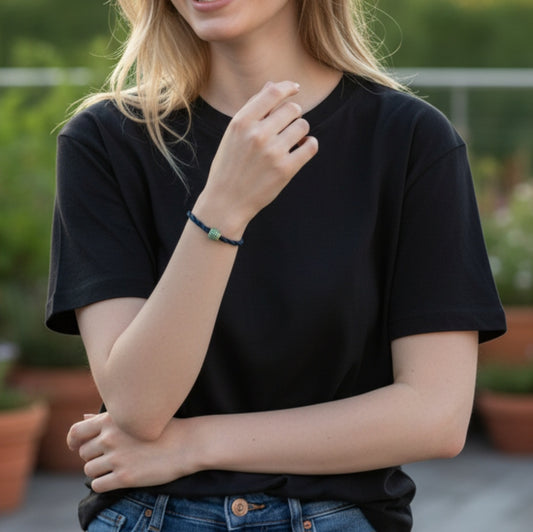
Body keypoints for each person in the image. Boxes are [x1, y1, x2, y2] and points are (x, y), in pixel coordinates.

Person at [46, 1, 506, 530]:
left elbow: (436, 416)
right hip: (151, 515)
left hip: (338, 516)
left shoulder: (411, 140)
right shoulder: (104, 141)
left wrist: (194, 444)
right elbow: (137, 406)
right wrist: (223, 208)